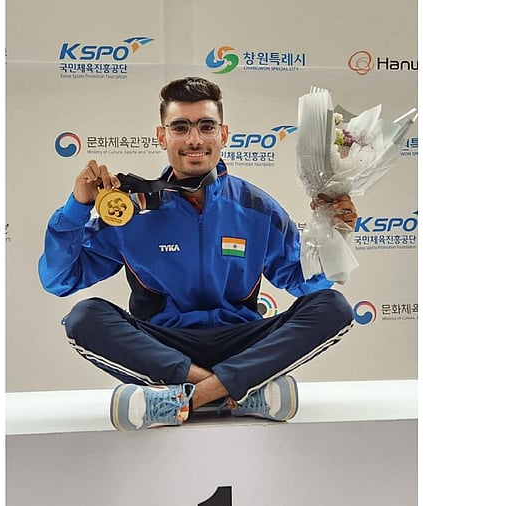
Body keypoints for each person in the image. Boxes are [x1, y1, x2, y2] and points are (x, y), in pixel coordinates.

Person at [39, 76, 357, 431]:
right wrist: (77, 207)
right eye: (180, 127)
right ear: (162, 136)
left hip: (242, 343)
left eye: (206, 126)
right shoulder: (132, 211)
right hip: (165, 348)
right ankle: (239, 392)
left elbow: (306, 286)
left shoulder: (256, 208)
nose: (194, 139)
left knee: (333, 306)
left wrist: (335, 234)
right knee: (84, 318)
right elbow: (58, 279)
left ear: (223, 134)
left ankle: (185, 399)